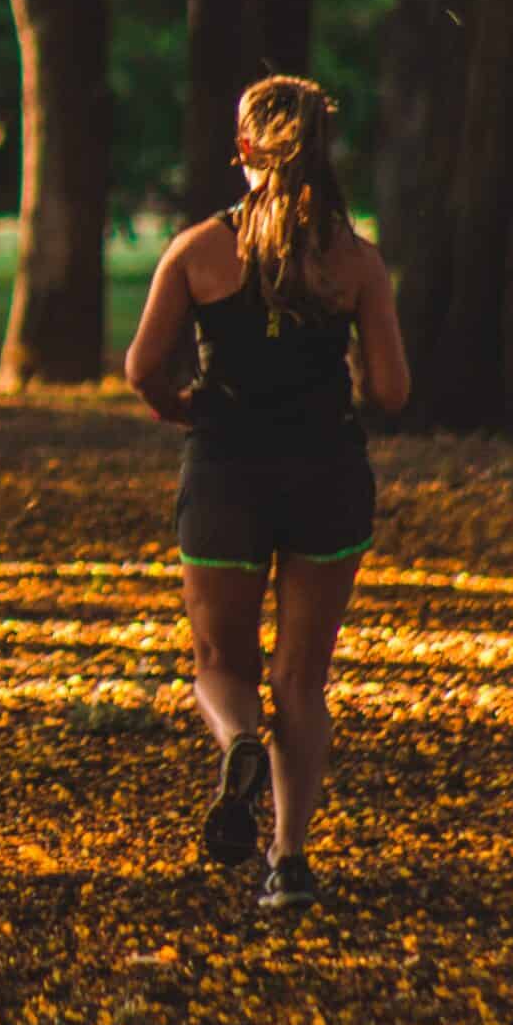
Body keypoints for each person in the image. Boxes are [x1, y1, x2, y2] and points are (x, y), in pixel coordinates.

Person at [122, 75, 409, 912]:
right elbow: (392, 390)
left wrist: (182, 409)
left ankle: (237, 741)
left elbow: (142, 366)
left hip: (225, 470)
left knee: (220, 663)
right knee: (302, 680)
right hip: (325, 474)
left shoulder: (199, 250)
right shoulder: (356, 260)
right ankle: (288, 860)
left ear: (246, 149)